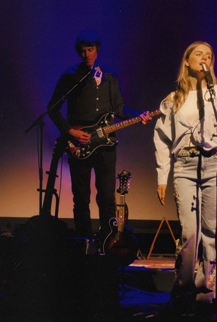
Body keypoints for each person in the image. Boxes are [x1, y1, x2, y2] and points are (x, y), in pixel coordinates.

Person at [153, 41, 217, 314]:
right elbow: (161, 139)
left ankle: (206, 290)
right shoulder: (173, 98)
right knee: (190, 232)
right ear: (187, 61)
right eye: (198, 54)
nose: (204, 58)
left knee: (212, 233)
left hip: (214, 165)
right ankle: (182, 288)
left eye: (209, 56)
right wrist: (162, 176)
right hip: (185, 166)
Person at [48, 29, 150, 241]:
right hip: (79, 143)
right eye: (83, 50)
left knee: (106, 196)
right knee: (81, 198)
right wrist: (71, 132)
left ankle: (108, 242)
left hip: (106, 145)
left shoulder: (110, 75)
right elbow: (52, 108)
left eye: (90, 50)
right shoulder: (69, 76)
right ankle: (84, 244)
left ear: (97, 50)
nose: (86, 54)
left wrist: (138, 115)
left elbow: (119, 108)